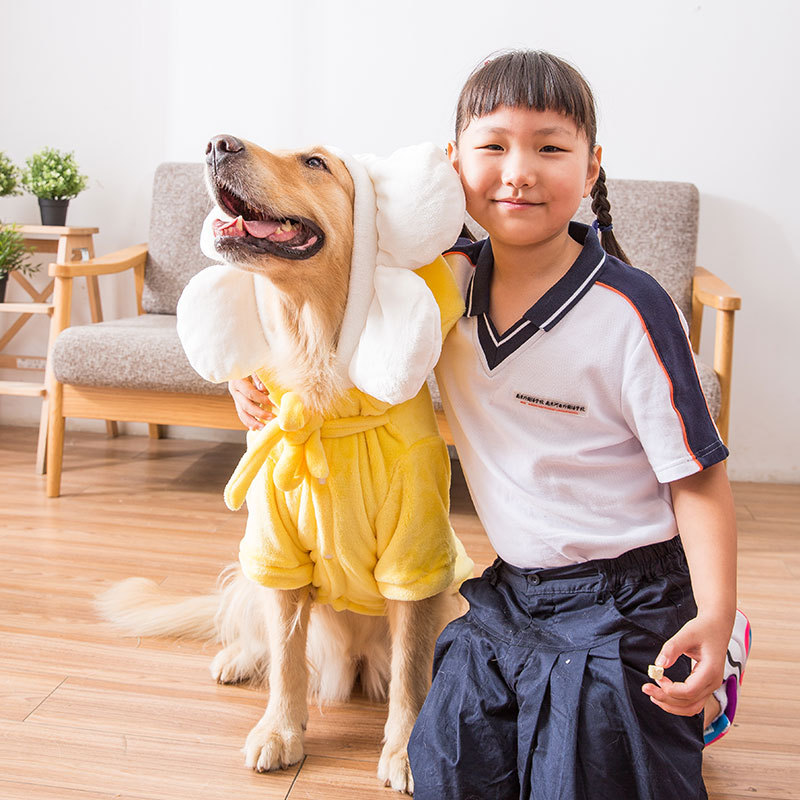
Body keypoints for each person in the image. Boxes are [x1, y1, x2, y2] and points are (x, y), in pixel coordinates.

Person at [227, 50, 750, 798]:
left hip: (630, 588)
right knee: (447, 766)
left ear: (592, 167)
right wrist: (245, 375)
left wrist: (716, 612)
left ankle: (718, 656)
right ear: (455, 164)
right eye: (494, 146)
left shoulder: (635, 310)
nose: (519, 172)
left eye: (550, 147)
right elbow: (318, 303)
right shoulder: (437, 287)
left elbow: (697, 478)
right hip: (516, 588)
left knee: (580, 775)